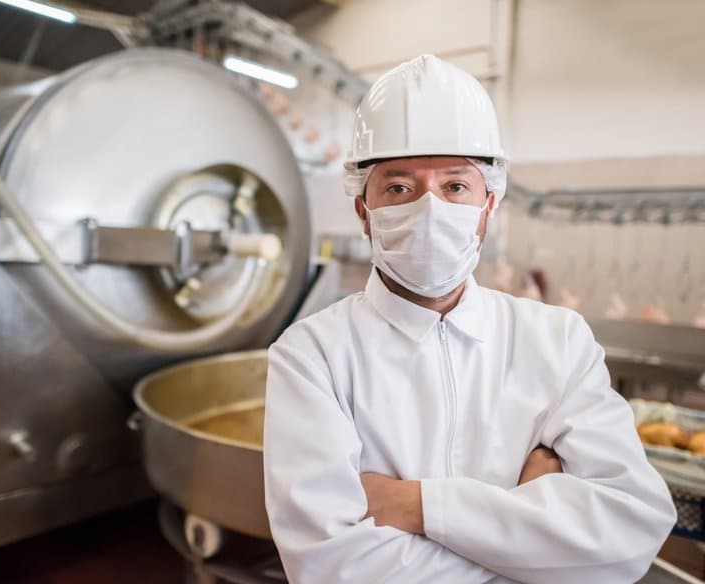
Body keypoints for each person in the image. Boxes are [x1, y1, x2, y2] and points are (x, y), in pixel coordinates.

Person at [263, 54, 676, 583]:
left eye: (455, 187)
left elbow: (630, 534)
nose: (429, 210)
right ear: (363, 210)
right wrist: (529, 536)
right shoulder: (311, 356)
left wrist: (415, 506)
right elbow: (330, 569)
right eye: (398, 188)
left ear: (489, 204)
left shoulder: (558, 341)